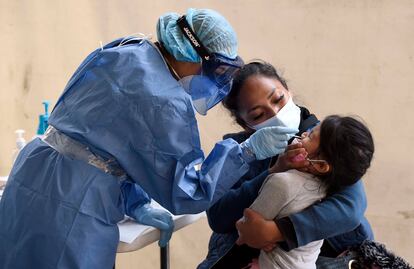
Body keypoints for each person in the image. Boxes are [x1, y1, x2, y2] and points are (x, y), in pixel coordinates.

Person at [0, 10, 294, 269]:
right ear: (193, 56)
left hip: (31, 174)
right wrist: (246, 151)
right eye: (216, 68)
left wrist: (134, 200)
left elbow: (101, 144)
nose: (216, 79)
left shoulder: (125, 48)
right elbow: (188, 193)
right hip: (73, 207)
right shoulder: (165, 100)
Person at [198, 62, 373, 269]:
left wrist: (276, 231)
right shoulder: (235, 151)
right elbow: (218, 216)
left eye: (278, 99)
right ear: (246, 124)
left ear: (288, 91)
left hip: (334, 258)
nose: (275, 113)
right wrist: (272, 171)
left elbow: (351, 207)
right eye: (257, 115)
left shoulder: (325, 139)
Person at [247, 115, 374, 269]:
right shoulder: (328, 189)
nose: (303, 135)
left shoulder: (282, 183)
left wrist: (266, 235)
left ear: (321, 166)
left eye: (311, 135)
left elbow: (247, 227)